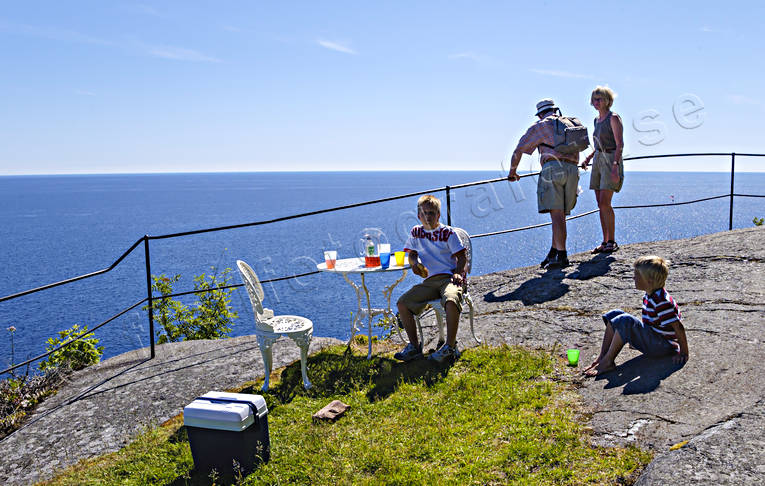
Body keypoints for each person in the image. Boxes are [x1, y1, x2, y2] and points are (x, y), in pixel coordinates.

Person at [583, 255, 689, 377]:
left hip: (663, 346)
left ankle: (607, 362)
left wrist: (683, 352)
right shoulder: (651, 294)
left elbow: (678, 327)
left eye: (637, 275)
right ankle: (602, 357)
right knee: (614, 314)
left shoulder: (661, 302)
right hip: (654, 338)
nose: (633, 277)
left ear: (649, 281)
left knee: (625, 321)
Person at [507, 98, 581, 269]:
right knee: (561, 215)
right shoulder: (571, 122)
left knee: (556, 215)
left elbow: (518, 151)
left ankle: (561, 256)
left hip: (552, 169)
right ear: (556, 109)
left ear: (540, 113)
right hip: (572, 169)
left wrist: (512, 172)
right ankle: (554, 251)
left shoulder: (540, 126)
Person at [394, 195, 467, 363]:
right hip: (430, 282)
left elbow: (462, 257)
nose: (428, 216)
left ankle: (449, 347)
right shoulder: (416, 232)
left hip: (449, 278)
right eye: (424, 213)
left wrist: (457, 273)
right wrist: (414, 264)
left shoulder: (448, 232)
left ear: (438, 215)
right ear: (419, 215)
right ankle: (414, 347)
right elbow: (412, 254)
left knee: (450, 298)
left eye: (432, 213)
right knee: (403, 303)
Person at [581, 86, 624, 254]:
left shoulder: (613, 118)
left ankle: (611, 241)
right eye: (594, 99)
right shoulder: (596, 120)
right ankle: (605, 241)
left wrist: (615, 167)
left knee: (606, 202)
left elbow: (619, 143)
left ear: (607, 100)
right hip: (599, 159)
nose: (596, 102)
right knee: (600, 204)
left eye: (599, 99)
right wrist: (589, 158)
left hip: (611, 159)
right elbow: (598, 144)